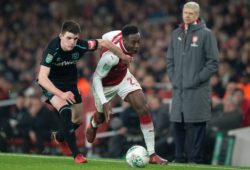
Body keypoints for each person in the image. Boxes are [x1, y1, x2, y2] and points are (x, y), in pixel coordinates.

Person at [37, 20, 131, 163]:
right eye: (68, 38)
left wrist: (123, 56)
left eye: (75, 38)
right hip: (52, 84)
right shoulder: (52, 49)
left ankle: (60, 137)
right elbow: (42, 78)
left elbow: (104, 43)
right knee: (65, 111)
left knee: (78, 120)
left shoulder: (80, 45)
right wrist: (61, 94)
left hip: (70, 84)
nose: (72, 42)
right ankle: (77, 155)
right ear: (60, 36)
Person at [86, 25, 168, 164]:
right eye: (133, 42)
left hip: (123, 78)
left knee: (143, 107)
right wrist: (105, 102)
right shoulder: (110, 58)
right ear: (124, 40)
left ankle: (152, 154)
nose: (136, 46)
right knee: (100, 117)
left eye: (138, 42)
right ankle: (93, 124)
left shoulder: (118, 34)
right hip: (105, 85)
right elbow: (96, 79)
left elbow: (105, 37)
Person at [166, 2, 219, 163]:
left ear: (197, 15)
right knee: (177, 124)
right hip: (179, 90)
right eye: (185, 12)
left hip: (197, 90)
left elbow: (213, 63)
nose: (187, 15)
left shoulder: (206, 34)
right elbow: (170, 60)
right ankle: (179, 158)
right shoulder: (176, 34)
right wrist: (174, 78)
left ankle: (196, 160)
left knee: (197, 125)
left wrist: (196, 79)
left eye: (190, 13)